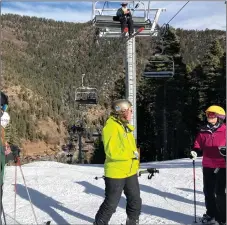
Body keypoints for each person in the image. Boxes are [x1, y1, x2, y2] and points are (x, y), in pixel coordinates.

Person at [94, 99, 141, 225]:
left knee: (135, 200)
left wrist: (135, 163)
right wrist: (132, 154)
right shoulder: (111, 127)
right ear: (123, 112)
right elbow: (112, 152)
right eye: (130, 111)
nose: (132, 113)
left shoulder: (125, 126)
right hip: (115, 172)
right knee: (111, 204)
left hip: (129, 171)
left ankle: (132, 222)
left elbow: (129, 147)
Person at [192, 105, 226, 225]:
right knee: (208, 191)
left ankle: (223, 218)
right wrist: (195, 151)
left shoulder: (225, 130)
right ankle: (211, 214)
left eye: (212, 115)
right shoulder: (203, 130)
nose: (209, 117)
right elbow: (198, 144)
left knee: (220, 192)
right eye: (208, 114)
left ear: (219, 117)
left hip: (222, 166)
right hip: (207, 165)